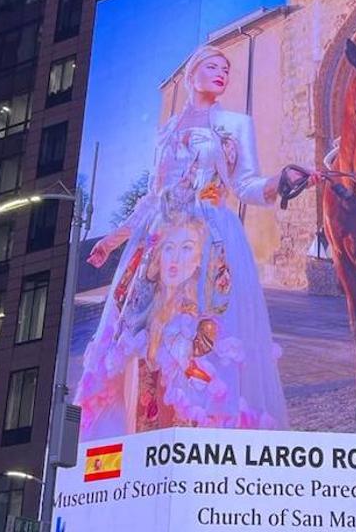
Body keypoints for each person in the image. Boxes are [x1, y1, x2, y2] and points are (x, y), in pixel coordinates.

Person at [74, 45, 294, 438]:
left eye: (226, 68)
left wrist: (279, 183)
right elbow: (151, 196)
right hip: (160, 240)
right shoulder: (167, 131)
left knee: (204, 336)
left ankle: (203, 429)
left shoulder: (236, 124)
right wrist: (113, 240)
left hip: (211, 239)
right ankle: (147, 428)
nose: (221, 72)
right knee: (146, 338)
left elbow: (245, 184)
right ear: (192, 74)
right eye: (212, 65)